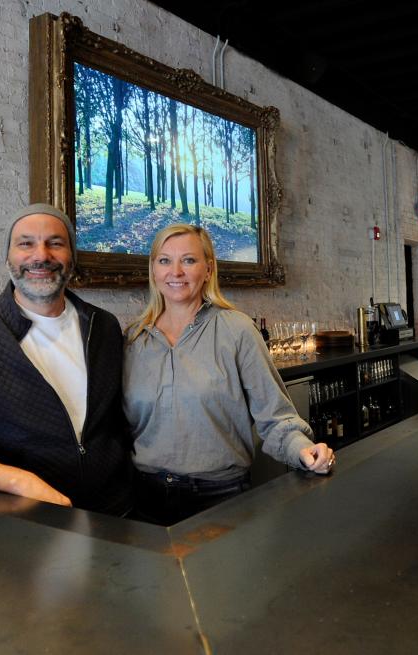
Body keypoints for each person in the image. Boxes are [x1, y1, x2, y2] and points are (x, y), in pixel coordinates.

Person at [0, 204, 132, 514]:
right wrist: (21, 482)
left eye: (55, 243)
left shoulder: (104, 326)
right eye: (26, 243)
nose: (41, 255)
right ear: (8, 257)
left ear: (72, 256)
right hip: (31, 524)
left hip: (117, 515)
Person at [123, 223, 333, 525]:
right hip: (145, 499)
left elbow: (275, 416)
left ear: (208, 270)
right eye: (165, 260)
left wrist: (303, 450)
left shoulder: (237, 331)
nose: (176, 272)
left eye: (189, 260)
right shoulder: (134, 339)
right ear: (154, 270)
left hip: (220, 497)